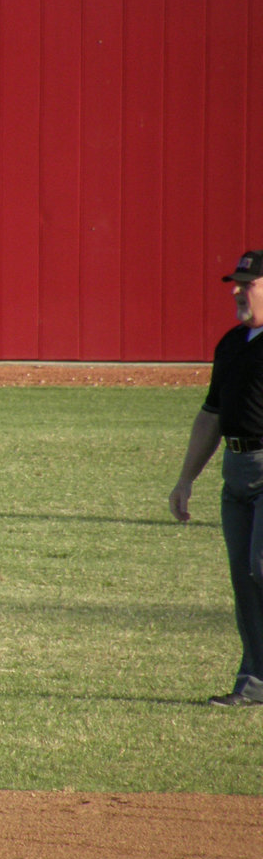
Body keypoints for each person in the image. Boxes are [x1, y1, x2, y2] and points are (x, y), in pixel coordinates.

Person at [170, 250, 263, 707]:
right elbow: (211, 415)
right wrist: (187, 479)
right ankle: (255, 683)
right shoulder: (231, 343)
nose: (237, 291)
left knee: (262, 567)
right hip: (236, 471)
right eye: (236, 283)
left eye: (247, 283)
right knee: (245, 578)